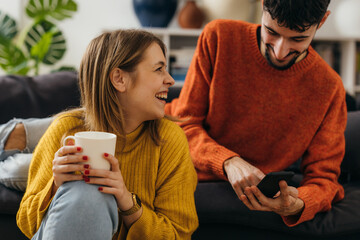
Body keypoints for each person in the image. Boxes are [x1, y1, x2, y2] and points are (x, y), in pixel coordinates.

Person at [165, 0, 346, 226]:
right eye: (272, 32)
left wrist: (299, 203)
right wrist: (229, 162)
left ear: (322, 21)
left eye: (297, 39)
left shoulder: (329, 87)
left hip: (259, 190)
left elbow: (325, 180)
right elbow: (184, 125)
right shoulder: (218, 37)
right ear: (263, 6)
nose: (280, 51)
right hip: (192, 169)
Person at [16, 29, 199, 239]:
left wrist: (126, 201)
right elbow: (26, 223)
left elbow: (179, 235)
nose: (170, 80)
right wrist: (56, 186)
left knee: (93, 192)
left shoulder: (169, 140)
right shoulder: (65, 130)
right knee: (86, 191)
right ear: (119, 79)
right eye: (159, 69)